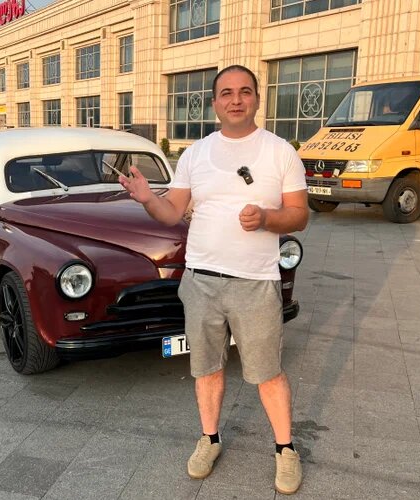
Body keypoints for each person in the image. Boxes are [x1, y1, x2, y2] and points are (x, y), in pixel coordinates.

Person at [119, 64, 309, 494]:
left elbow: (300, 216)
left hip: (255, 282)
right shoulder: (196, 154)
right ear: (214, 103)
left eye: (244, 91)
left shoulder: (280, 152)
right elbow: (172, 211)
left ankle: (285, 449)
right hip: (201, 280)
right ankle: (209, 439)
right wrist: (147, 197)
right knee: (206, 368)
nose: (235, 100)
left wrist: (267, 218)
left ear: (257, 98)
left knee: (267, 371)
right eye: (226, 93)